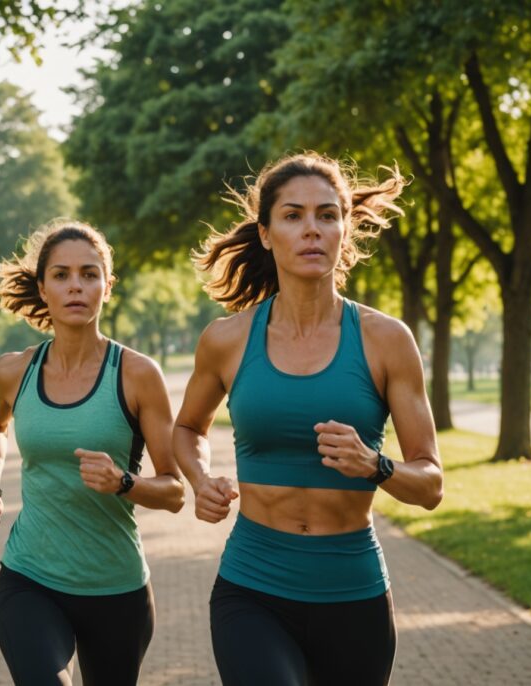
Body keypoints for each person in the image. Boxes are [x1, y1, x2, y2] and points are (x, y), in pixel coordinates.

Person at [173, 152, 444, 685]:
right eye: (293, 216)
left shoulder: (386, 340)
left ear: (345, 229)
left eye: (327, 215)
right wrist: (200, 479)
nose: (312, 230)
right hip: (252, 589)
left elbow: (431, 483)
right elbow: (186, 429)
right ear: (267, 233)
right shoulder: (227, 340)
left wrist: (376, 466)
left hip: (353, 594)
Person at [0, 219, 186, 686]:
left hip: (116, 588)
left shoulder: (136, 375)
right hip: (29, 577)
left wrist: (124, 483)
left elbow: (174, 491)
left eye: (90, 275)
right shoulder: (14, 371)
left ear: (107, 287)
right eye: (62, 275)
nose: (77, 286)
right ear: (43, 288)